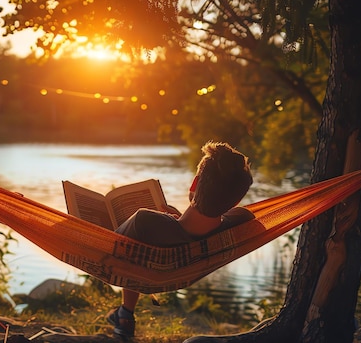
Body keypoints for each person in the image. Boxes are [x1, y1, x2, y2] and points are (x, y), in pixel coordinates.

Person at [106, 141, 254, 338]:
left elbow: (111, 249)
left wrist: (171, 222)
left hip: (139, 258)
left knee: (134, 249)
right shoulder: (240, 223)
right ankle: (124, 314)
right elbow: (239, 215)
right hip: (182, 271)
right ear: (235, 201)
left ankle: (125, 314)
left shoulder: (145, 221)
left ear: (194, 183)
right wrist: (177, 220)